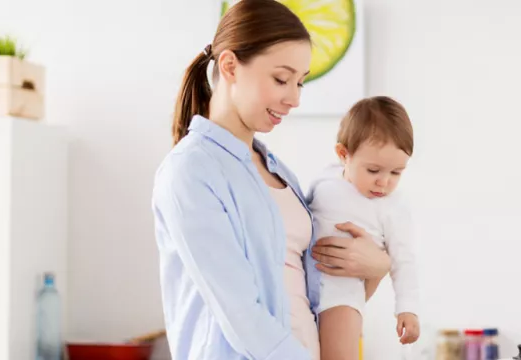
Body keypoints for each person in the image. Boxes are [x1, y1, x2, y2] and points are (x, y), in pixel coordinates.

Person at [150, 1, 390, 359]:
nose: (293, 98)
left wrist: (378, 268)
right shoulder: (190, 171)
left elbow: (307, 296)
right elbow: (239, 312)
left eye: (300, 82)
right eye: (281, 79)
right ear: (230, 66)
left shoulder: (280, 173)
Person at [307, 96, 421, 360]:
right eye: (373, 170)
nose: (384, 182)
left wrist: (407, 309)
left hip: (341, 295)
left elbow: (404, 260)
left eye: (396, 173)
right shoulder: (326, 179)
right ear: (343, 155)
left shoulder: (393, 207)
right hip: (300, 285)